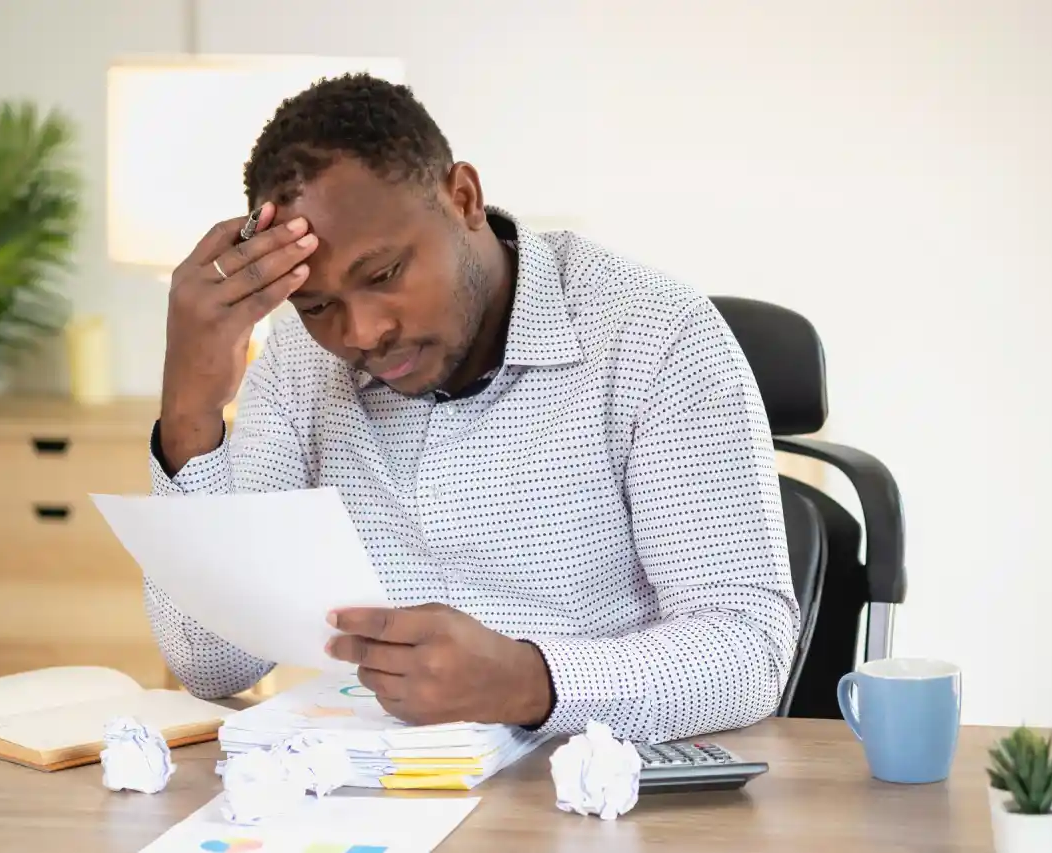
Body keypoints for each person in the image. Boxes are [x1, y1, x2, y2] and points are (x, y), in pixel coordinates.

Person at [148, 72, 800, 744]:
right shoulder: (298, 363)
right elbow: (213, 660)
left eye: (384, 275)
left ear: (463, 197)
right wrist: (191, 411)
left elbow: (750, 651)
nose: (361, 332)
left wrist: (526, 680)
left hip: (597, 794)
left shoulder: (655, 335)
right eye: (318, 305)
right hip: (374, 798)